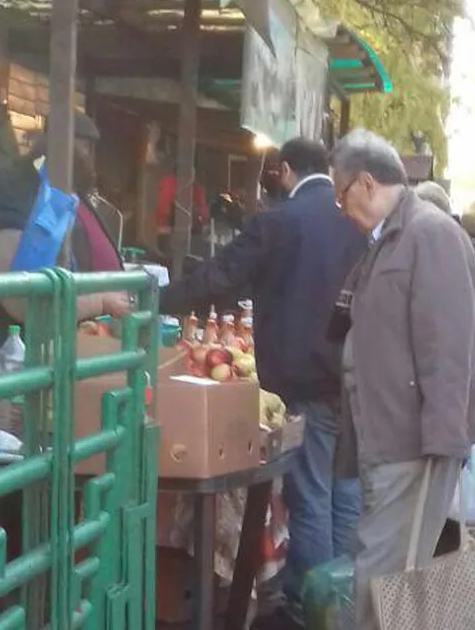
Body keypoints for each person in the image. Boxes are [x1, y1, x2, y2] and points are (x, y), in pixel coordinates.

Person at [158, 138, 367, 630]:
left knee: (310, 494)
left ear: (287, 171)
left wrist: (158, 298)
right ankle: (347, 601)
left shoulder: (279, 221)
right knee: (345, 492)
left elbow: (222, 276)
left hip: (303, 379)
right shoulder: (357, 223)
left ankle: (315, 609)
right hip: (354, 378)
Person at [329, 129, 475, 630]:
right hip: (391, 437)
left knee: (384, 578)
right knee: (389, 574)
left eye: (340, 195)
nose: (340, 208)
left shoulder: (431, 234)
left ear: (364, 183)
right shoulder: (392, 237)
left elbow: (447, 346)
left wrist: (442, 443)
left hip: (412, 444)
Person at [0, 113, 131, 436]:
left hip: (28, 377)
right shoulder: (6, 208)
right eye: (84, 148)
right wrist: (100, 301)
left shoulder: (57, 205)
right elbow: (24, 304)